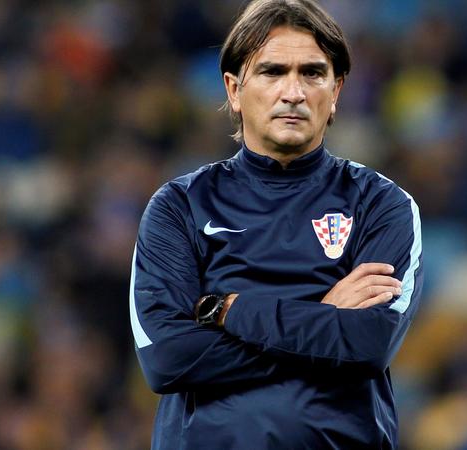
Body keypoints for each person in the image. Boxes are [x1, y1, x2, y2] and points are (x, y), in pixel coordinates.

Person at [130, 0, 423, 448]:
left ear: (336, 91)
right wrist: (325, 315)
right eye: (272, 72)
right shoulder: (179, 207)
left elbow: (368, 344)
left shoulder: (382, 205)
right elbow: (168, 359)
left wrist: (228, 310)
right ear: (234, 89)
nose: (294, 92)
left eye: (312, 73)